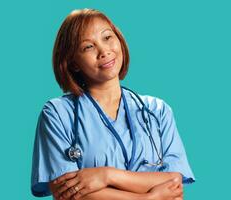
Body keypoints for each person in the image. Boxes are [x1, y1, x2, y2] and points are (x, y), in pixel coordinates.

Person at [31, 8, 195, 200]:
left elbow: (174, 181)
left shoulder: (157, 111)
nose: (104, 51)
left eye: (107, 37)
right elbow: (67, 193)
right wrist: (148, 198)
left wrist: (106, 175)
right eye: (88, 47)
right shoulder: (58, 114)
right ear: (73, 62)